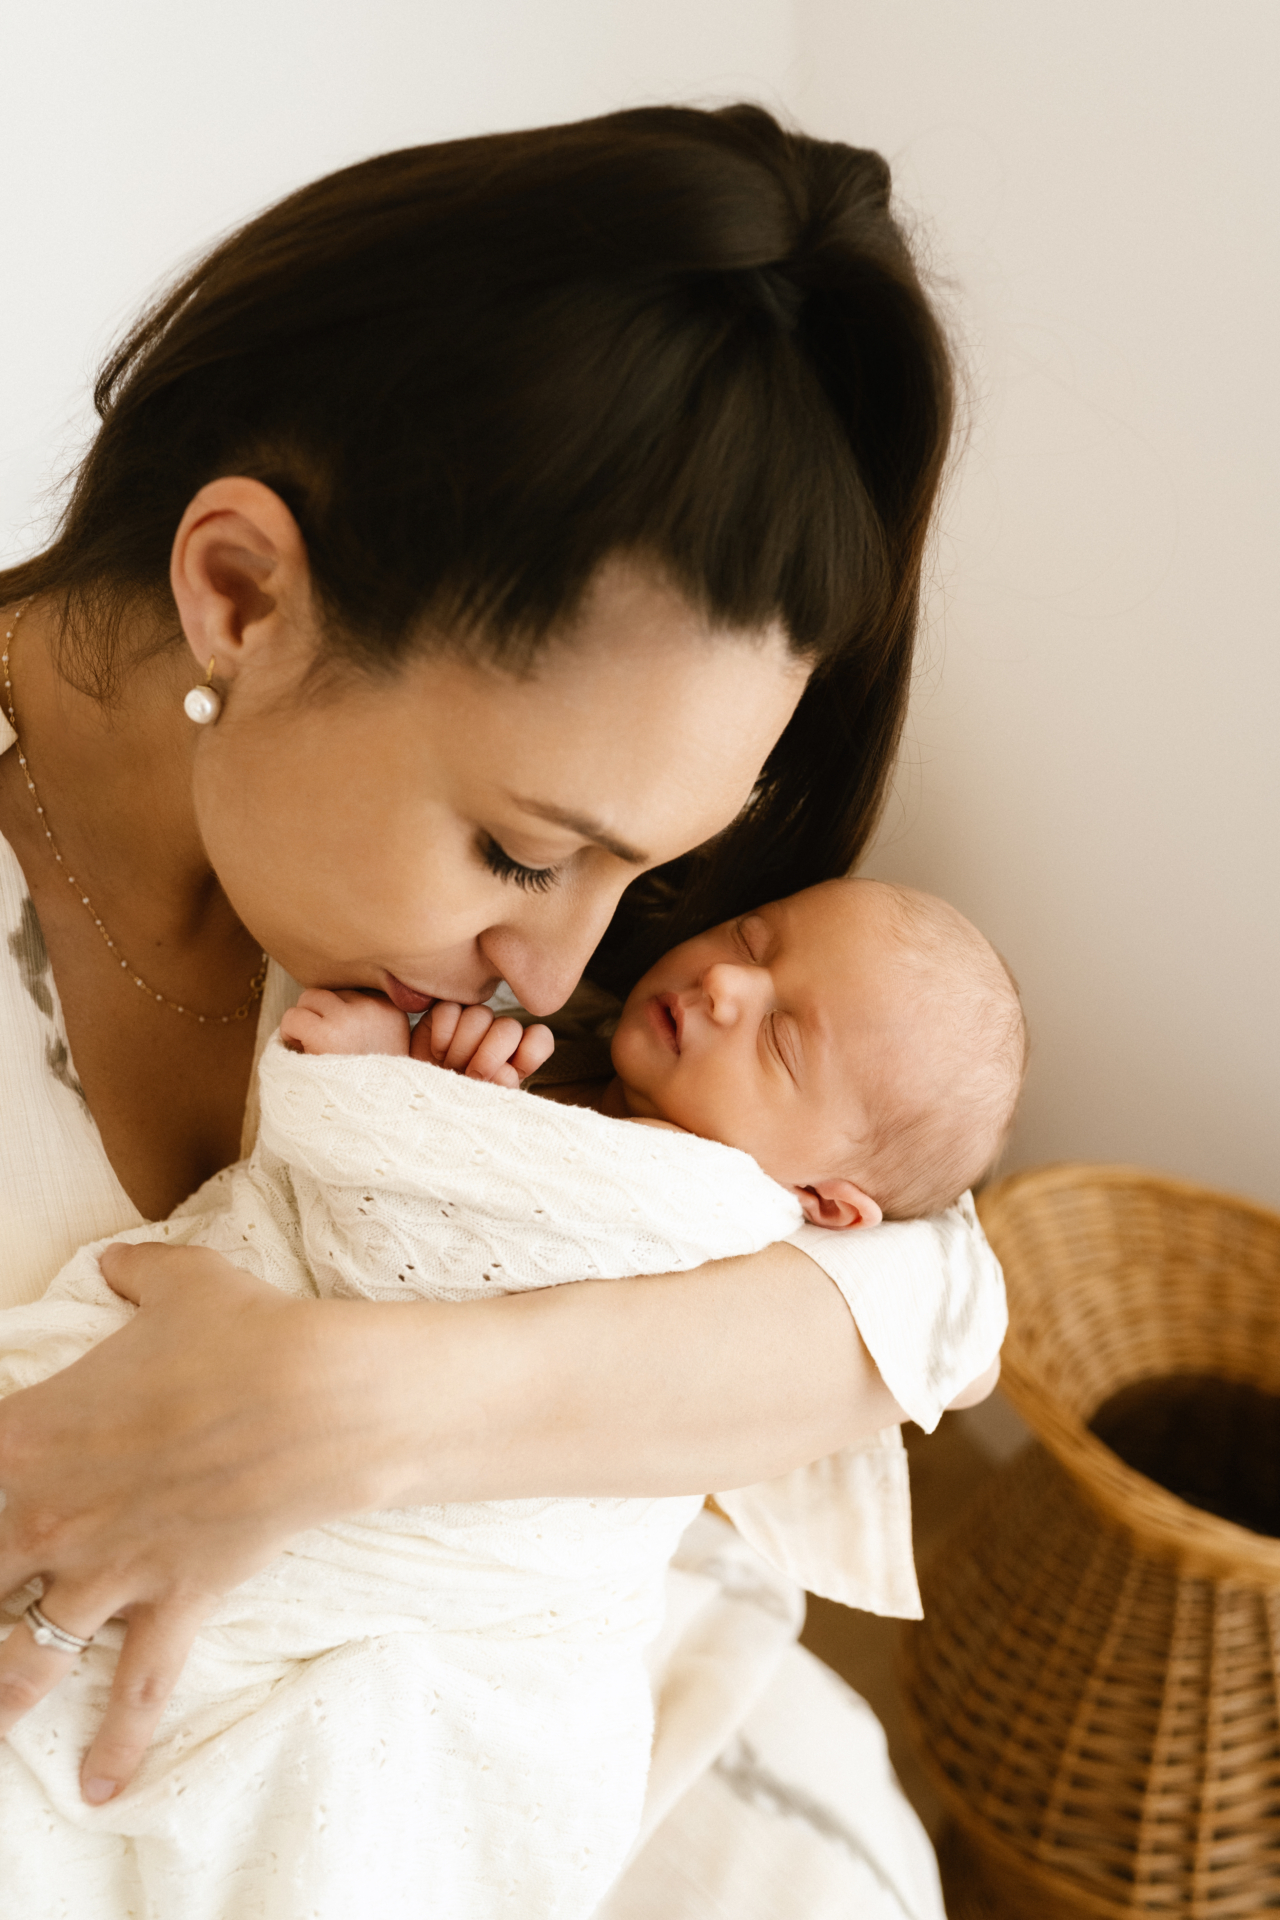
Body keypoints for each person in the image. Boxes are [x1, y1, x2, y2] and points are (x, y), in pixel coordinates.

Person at [0, 103, 1000, 1915]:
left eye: (647, 870)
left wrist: (342, 1408)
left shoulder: (454, 966)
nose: (564, 980)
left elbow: (927, 1298)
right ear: (239, 595)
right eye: (526, 851)